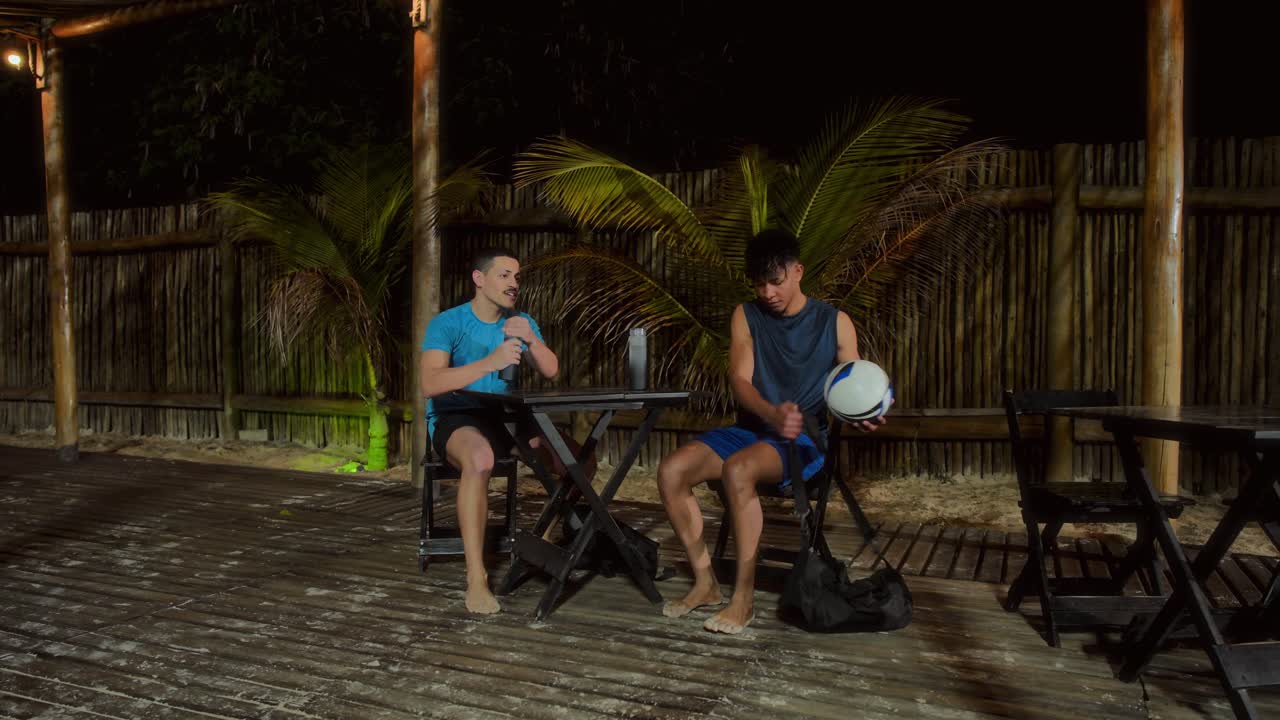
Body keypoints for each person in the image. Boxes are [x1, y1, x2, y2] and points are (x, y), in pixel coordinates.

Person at [656, 228, 888, 634]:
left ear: (797, 272)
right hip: (752, 429)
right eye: (759, 283)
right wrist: (769, 412)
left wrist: (861, 413)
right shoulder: (746, 315)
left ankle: (742, 598)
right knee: (671, 471)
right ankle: (706, 583)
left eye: (775, 281)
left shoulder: (835, 323)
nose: (766, 292)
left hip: (802, 439)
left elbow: (853, 380)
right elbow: (740, 380)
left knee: (739, 470)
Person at [419, 247, 561, 615]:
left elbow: (551, 370)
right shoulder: (448, 323)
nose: (514, 284)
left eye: (517, 277)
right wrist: (490, 362)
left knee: (574, 459)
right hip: (457, 417)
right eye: (504, 275)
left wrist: (532, 338)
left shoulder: (520, 321)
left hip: (507, 416)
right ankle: (477, 577)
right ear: (479, 280)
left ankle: (547, 537)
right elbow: (430, 383)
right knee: (480, 460)